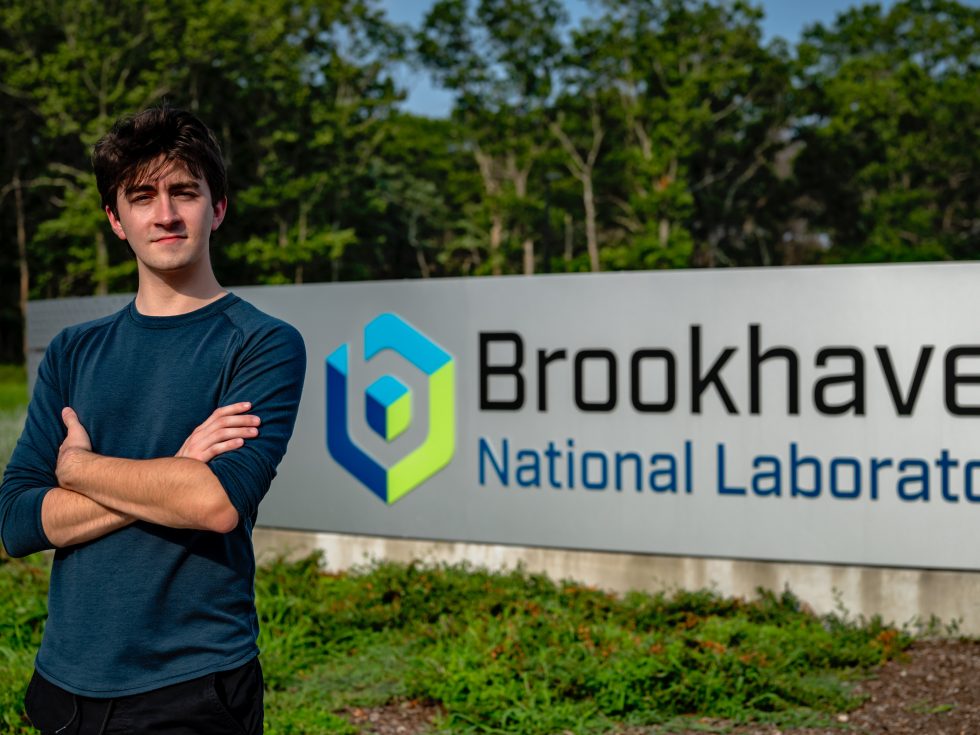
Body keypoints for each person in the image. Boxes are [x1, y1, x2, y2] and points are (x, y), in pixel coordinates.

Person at [0, 106, 306, 734]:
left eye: (184, 191)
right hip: (62, 683)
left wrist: (79, 469)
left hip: (192, 686)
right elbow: (16, 521)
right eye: (141, 196)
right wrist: (179, 468)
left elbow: (215, 504)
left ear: (216, 208)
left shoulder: (261, 344)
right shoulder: (72, 352)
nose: (164, 213)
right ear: (117, 219)